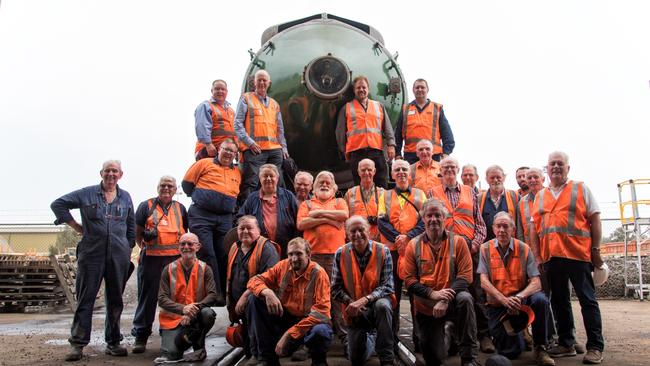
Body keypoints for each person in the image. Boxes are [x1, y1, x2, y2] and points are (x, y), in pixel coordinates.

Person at [51, 160, 135, 361]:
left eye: (115, 171)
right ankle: (78, 344)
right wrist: (76, 227)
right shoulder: (86, 194)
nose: (111, 174)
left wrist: (127, 246)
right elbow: (58, 204)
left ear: (121, 174)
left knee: (115, 300)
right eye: (108, 171)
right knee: (86, 298)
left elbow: (131, 224)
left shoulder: (125, 197)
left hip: (118, 255)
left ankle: (113, 342)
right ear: (101, 173)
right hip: (92, 254)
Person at [530, 151, 605, 364]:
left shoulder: (581, 189)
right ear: (547, 168)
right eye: (552, 164)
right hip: (551, 257)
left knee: (587, 301)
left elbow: (595, 219)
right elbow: (535, 229)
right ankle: (566, 343)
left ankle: (595, 347)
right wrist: (537, 256)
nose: (555, 167)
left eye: (560, 164)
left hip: (578, 255)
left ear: (567, 168)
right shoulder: (541, 196)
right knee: (559, 301)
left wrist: (596, 250)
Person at [401, 198, 479, 366]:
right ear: (423, 219)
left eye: (438, 215)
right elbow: (409, 280)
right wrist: (433, 294)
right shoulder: (413, 245)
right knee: (434, 358)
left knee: (465, 299)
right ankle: (449, 333)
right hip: (427, 308)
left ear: (445, 218)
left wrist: (444, 299)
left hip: (451, 302)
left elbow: (466, 276)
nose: (433, 219)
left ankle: (469, 358)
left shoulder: (458, 242)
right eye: (429, 215)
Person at [428, 157, 491, 353]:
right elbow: (429, 221)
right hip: (444, 251)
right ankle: (452, 336)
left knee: (476, 293)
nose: (448, 170)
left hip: (469, 251)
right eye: (445, 167)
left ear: (457, 170)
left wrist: (475, 244)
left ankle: (484, 335)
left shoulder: (470, 191)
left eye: (452, 167)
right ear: (440, 170)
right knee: (448, 291)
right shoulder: (432, 193)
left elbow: (479, 223)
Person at [477, 212, 554, 365]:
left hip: (521, 302)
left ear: (512, 229)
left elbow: (536, 282)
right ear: (493, 228)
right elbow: (484, 282)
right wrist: (504, 301)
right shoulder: (485, 249)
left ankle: (540, 347)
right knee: (510, 353)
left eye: (505, 226)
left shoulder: (524, 248)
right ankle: (521, 333)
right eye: (498, 226)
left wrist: (519, 297)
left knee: (540, 300)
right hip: (499, 305)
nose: (501, 230)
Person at [247, 237, 333, 366]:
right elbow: (254, 281)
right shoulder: (282, 266)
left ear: (309, 255)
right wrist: (268, 292)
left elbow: (321, 313)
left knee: (321, 331)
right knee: (254, 300)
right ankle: (268, 359)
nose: (293, 258)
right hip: (286, 318)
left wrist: (288, 335)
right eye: (290, 254)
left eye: (298, 253)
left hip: (309, 322)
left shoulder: (319, 274)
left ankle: (319, 362)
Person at [131, 176, 188, 353]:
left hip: (174, 261)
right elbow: (137, 231)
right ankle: (141, 336)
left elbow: (186, 232)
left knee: (174, 299)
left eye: (170, 186)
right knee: (147, 299)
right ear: (158, 187)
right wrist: (144, 247)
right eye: (163, 185)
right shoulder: (146, 206)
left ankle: (171, 335)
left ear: (174, 189)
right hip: (151, 260)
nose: (166, 188)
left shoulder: (180, 208)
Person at [331, 216, 396, 365]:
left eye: (361, 230)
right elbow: (335, 289)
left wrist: (364, 300)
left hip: (376, 306)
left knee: (383, 306)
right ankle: (372, 337)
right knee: (356, 359)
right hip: (355, 311)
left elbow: (387, 286)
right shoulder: (340, 253)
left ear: (369, 231)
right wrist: (351, 302)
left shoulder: (383, 251)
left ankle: (387, 358)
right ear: (347, 234)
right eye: (353, 231)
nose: (358, 234)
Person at [182, 138, 241, 300]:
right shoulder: (204, 163)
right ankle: (211, 293)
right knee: (207, 252)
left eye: (232, 151)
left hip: (224, 218)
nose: (228, 153)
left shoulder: (237, 172)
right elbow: (187, 184)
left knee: (224, 254)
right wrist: (203, 199)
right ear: (218, 149)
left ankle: (223, 293)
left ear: (236, 155)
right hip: (202, 215)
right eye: (225, 149)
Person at [297, 171, 348, 347]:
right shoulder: (307, 203)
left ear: (334, 187)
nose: (325, 184)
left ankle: (343, 337)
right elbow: (301, 224)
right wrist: (331, 219)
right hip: (313, 257)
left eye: (328, 182)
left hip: (336, 256)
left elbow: (344, 216)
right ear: (314, 187)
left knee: (337, 296)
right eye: (321, 182)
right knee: (312, 296)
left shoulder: (340, 201)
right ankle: (309, 339)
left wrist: (317, 214)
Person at [377, 158, 425, 346]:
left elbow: (424, 221)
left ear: (410, 173)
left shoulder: (421, 195)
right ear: (392, 174)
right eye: (397, 169)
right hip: (392, 252)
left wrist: (408, 237)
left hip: (415, 250)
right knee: (393, 294)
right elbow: (382, 222)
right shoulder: (385, 196)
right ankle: (393, 337)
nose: (401, 172)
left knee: (417, 294)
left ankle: (419, 338)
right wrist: (399, 238)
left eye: (405, 169)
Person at [155, 233, 218, 363]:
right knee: (172, 354)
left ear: (198, 246)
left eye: (190, 244)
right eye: (182, 244)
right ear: (178, 247)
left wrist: (192, 311)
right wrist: (183, 309)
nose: (186, 247)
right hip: (172, 319)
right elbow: (161, 298)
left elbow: (212, 295)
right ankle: (186, 340)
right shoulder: (168, 269)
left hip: (195, 317)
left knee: (208, 314)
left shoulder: (206, 269)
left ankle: (198, 344)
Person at [226, 216, 280, 362]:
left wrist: (244, 296)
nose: (245, 231)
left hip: (258, 302)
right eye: (241, 228)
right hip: (240, 305)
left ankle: (261, 356)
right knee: (247, 345)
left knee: (259, 335)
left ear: (258, 230)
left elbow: (268, 278)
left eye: (249, 228)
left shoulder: (267, 248)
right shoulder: (234, 247)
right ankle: (253, 353)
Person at [235, 69, 289, 202]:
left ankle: (277, 211)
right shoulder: (246, 98)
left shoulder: (274, 104)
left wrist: (284, 148)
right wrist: (250, 143)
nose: (262, 82)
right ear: (254, 82)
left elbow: (280, 129)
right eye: (259, 80)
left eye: (264, 80)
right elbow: (237, 124)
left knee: (277, 182)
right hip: (255, 149)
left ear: (269, 83)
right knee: (251, 183)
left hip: (274, 149)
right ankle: (247, 215)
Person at [335, 75, 396, 188]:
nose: (361, 90)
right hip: (356, 153)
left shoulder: (379, 106)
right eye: (358, 88)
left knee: (381, 183)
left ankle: (381, 206)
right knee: (360, 186)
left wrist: (391, 145)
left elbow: (387, 128)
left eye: (364, 87)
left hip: (376, 151)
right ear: (354, 90)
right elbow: (340, 132)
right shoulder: (347, 108)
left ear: (368, 89)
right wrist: (344, 151)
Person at [238, 164, 299, 257]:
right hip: (259, 248)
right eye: (265, 176)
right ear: (260, 178)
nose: (268, 178)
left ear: (277, 178)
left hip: (287, 248)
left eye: (271, 176)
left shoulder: (288, 196)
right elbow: (241, 218)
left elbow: (298, 219)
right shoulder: (252, 198)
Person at [394, 79, 455, 164]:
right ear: (413, 90)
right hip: (411, 156)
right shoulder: (405, 110)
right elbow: (398, 135)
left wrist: (446, 152)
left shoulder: (437, 109)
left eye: (422, 87)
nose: (420, 89)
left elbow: (447, 133)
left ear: (427, 89)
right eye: (417, 87)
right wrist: (397, 154)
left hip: (433, 155)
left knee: (434, 178)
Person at [194, 79, 237, 160]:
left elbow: (234, 131)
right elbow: (202, 126)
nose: (220, 91)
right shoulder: (206, 106)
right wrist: (208, 144)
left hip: (226, 151)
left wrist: (236, 148)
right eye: (217, 89)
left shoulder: (230, 111)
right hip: (209, 150)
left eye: (222, 89)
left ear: (226, 92)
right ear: (212, 91)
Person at [344, 158, 385, 242]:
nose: (366, 173)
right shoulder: (350, 193)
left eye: (369, 170)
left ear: (374, 171)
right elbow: (345, 220)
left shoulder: (383, 193)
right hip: (355, 240)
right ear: (358, 172)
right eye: (363, 170)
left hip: (377, 241)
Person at [478, 165, 522, 242]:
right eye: (492, 177)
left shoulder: (515, 197)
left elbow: (520, 224)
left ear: (504, 178)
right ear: (487, 179)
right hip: (486, 247)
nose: (495, 180)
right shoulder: (479, 199)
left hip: (510, 246)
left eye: (498, 177)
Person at [519, 168, 545, 244]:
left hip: (548, 246)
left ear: (543, 179)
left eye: (536, 177)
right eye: (529, 178)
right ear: (526, 182)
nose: (533, 180)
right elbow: (520, 230)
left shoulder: (550, 196)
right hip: (530, 248)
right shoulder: (522, 202)